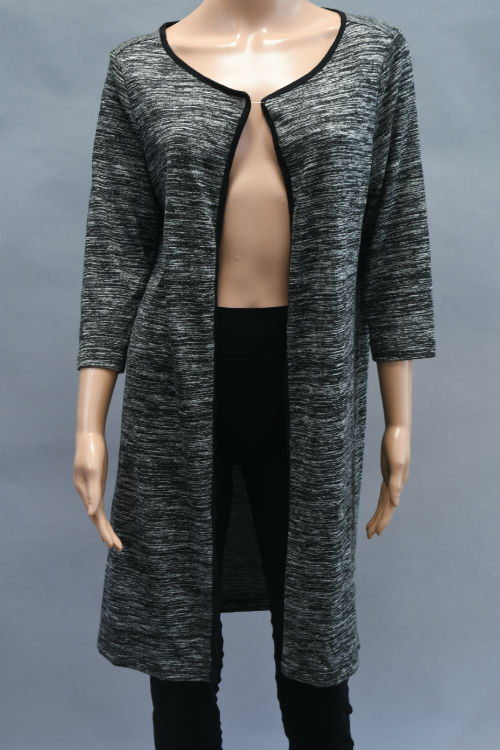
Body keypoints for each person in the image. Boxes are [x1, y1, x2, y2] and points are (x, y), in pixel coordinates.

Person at [74, 3, 436, 748]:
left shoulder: (374, 55)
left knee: (315, 649)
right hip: (175, 381)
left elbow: (394, 236)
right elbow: (118, 248)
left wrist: (399, 419)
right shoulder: (138, 68)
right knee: (178, 653)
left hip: (315, 384)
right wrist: (89, 423)